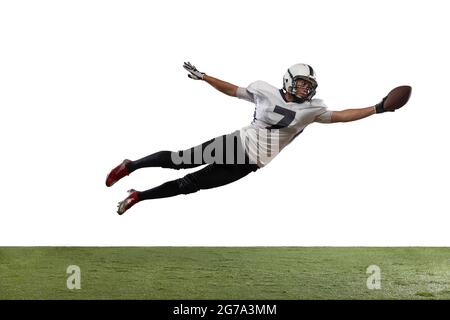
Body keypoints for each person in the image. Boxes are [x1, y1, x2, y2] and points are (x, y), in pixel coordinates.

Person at [106, 62, 394, 215]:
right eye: (302, 82)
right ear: (288, 79)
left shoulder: (312, 110)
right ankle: (130, 165)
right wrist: (205, 77)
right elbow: (234, 90)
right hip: (237, 144)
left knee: (188, 186)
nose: (306, 88)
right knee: (180, 161)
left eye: (309, 84)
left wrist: (376, 108)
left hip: (251, 164)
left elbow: (342, 115)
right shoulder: (264, 90)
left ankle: (138, 197)